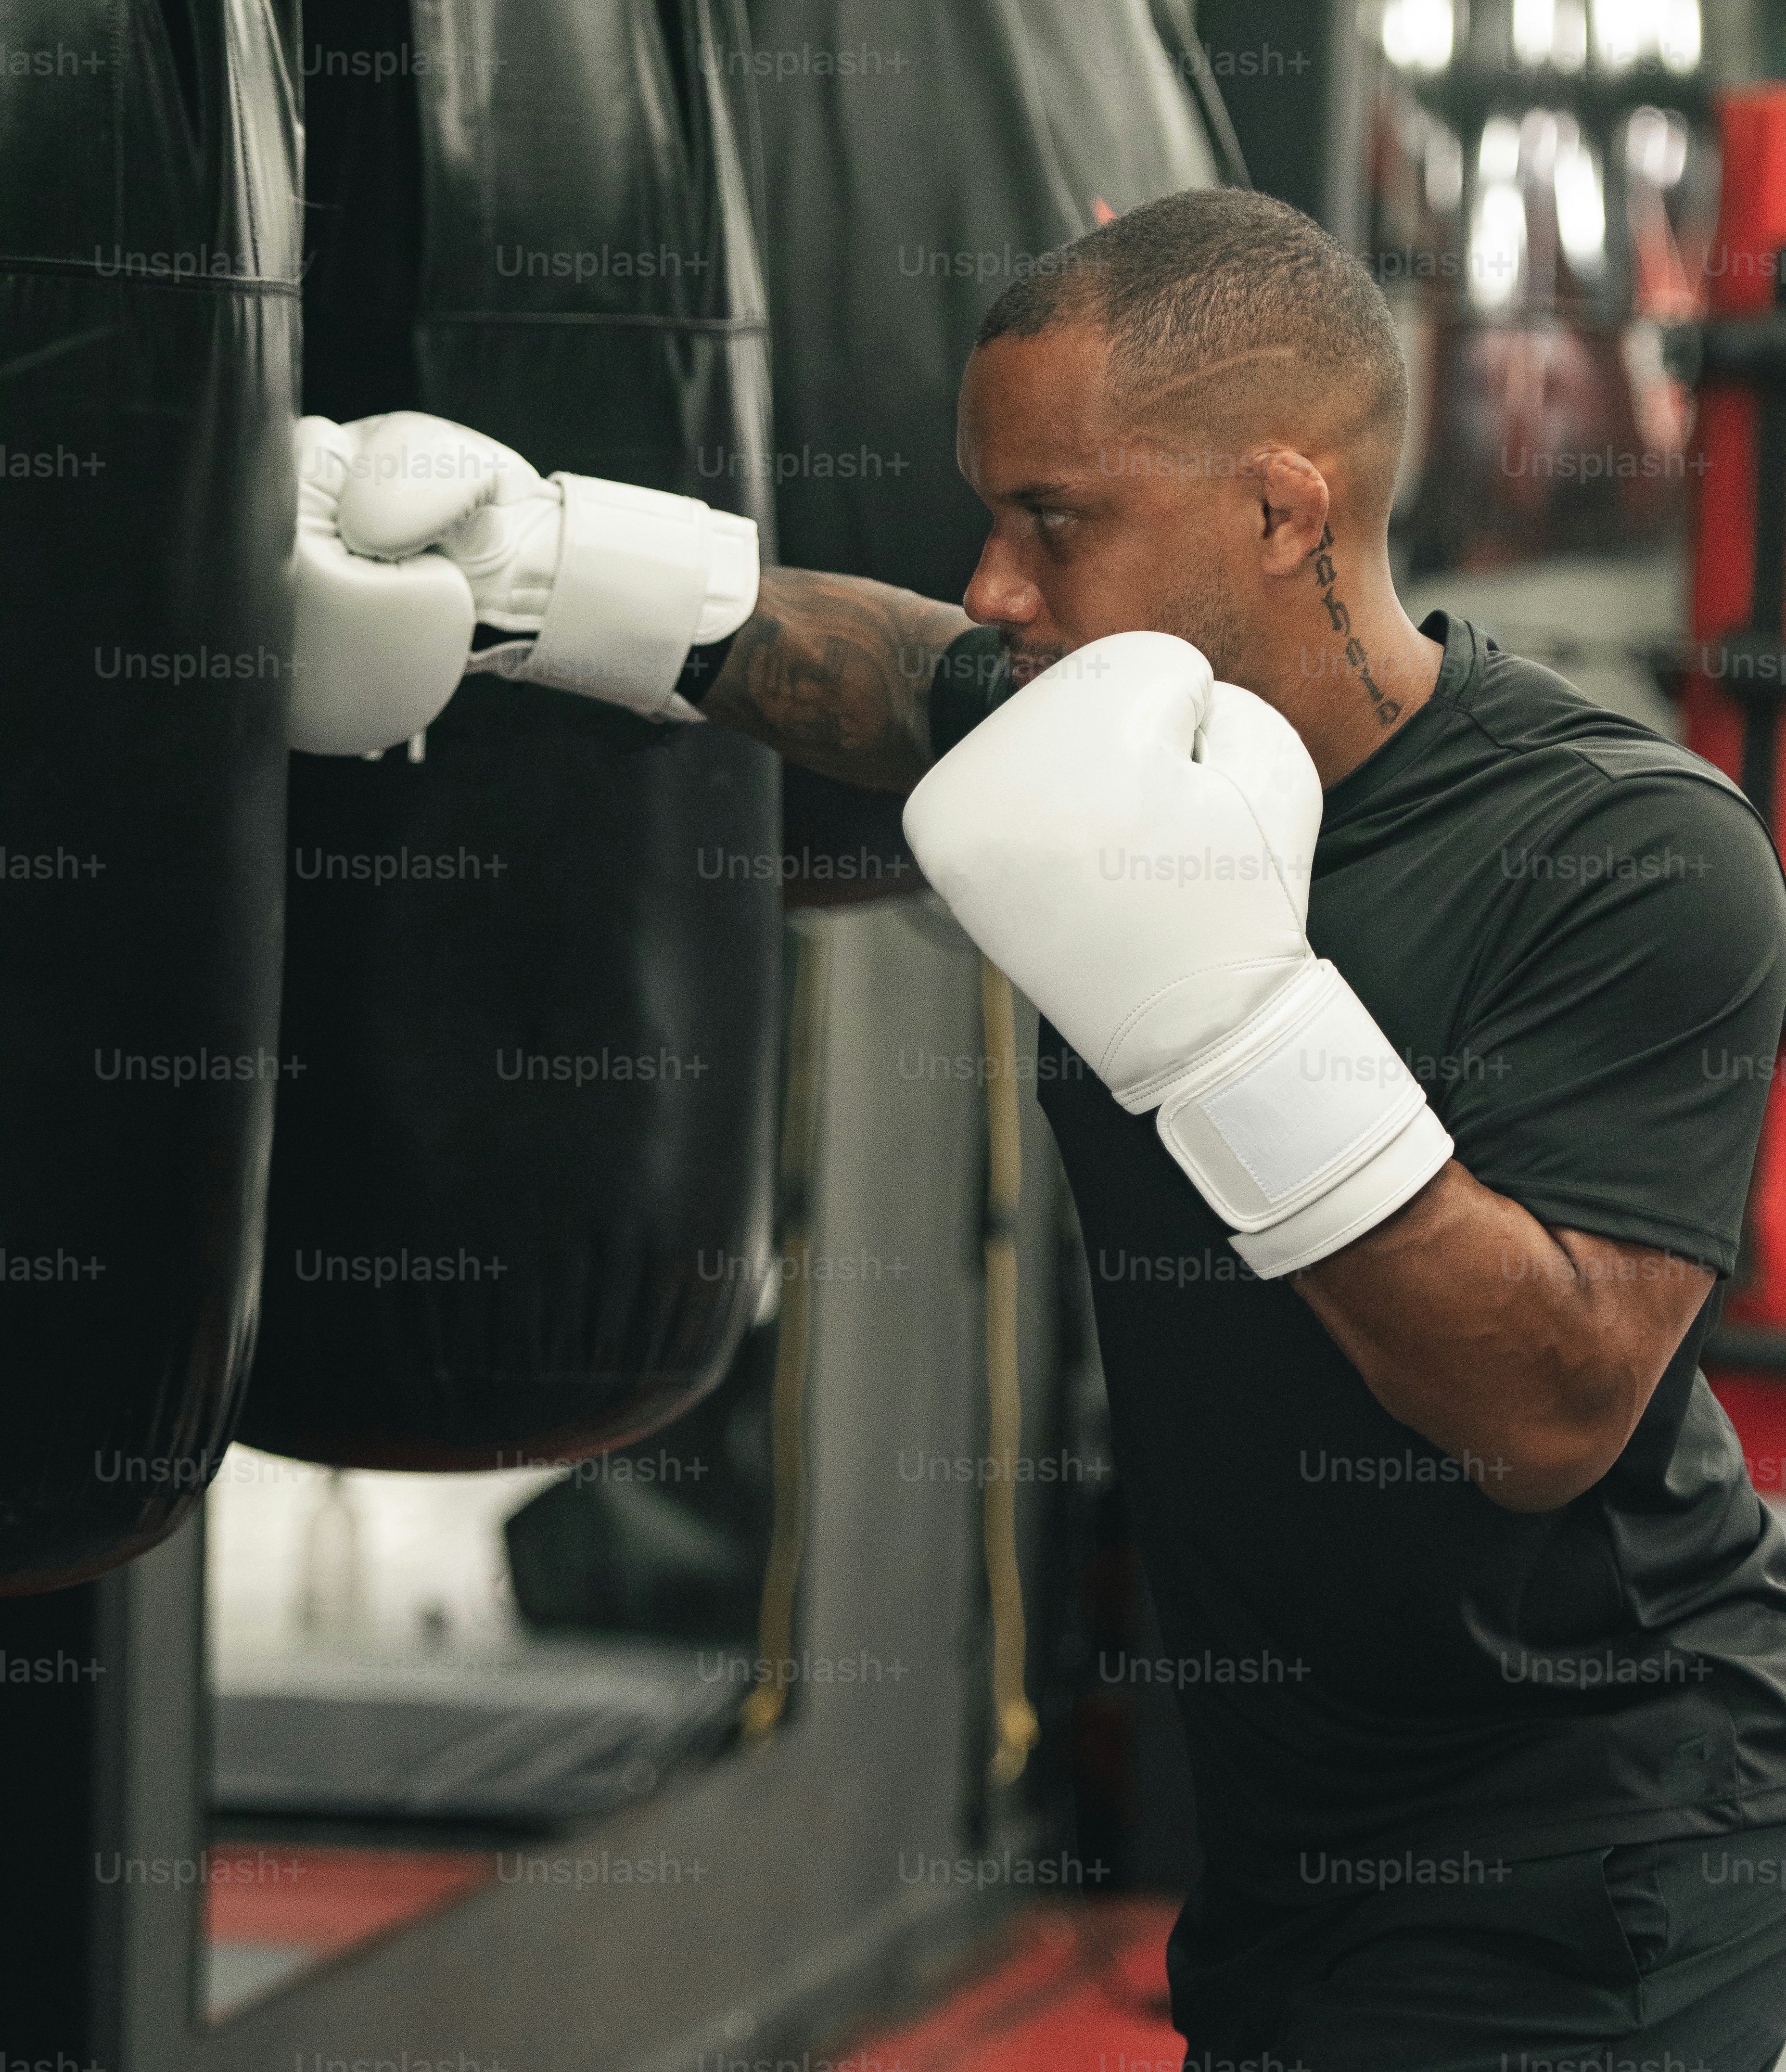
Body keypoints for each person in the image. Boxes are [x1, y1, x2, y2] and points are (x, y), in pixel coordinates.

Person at [299, 188, 1786, 2070]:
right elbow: (878, 662)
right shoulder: (1110, 745)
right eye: (995, 514)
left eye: (1052, 520)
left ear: (1278, 509)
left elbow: (1550, 1410)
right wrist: (530, 568)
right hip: (1291, 1871)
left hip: (1615, 1859)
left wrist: (1232, 1020)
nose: (1001, 581)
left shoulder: (1630, 853)